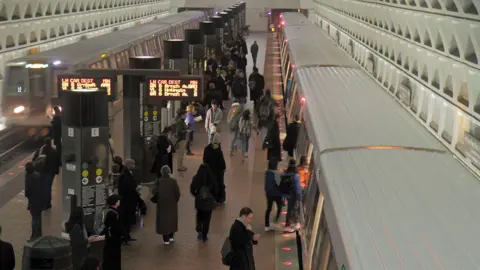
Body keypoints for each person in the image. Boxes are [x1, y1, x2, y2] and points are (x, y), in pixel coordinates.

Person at [190, 163, 218, 242]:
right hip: (209, 202)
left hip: (199, 201)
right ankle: (204, 235)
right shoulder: (212, 178)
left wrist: (196, 195)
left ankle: (199, 229)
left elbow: (192, 189)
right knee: (207, 219)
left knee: (199, 216)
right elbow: (216, 189)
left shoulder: (196, 178)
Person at [154, 165, 180, 245]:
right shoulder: (173, 181)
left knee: (163, 221)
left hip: (162, 204)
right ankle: (171, 236)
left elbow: (154, 192)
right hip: (172, 204)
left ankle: (166, 240)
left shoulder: (158, 181)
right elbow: (177, 193)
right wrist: (174, 201)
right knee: (172, 220)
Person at [32, 137, 60, 210]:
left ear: (44, 143)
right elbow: (58, 162)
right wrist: (56, 171)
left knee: (42, 186)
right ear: (51, 143)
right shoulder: (54, 151)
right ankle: (47, 203)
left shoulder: (40, 150)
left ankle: (42, 202)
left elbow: (34, 160)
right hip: (51, 172)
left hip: (42, 171)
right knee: (48, 187)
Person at [117, 159, 139, 244]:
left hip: (128, 201)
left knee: (127, 219)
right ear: (129, 165)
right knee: (126, 219)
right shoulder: (125, 175)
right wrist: (135, 189)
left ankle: (127, 236)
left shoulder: (126, 174)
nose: (134, 166)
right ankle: (125, 236)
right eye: (133, 164)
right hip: (127, 201)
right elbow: (129, 187)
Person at [25, 161, 47, 240]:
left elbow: (27, 192)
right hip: (40, 200)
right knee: (39, 217)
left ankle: (35, 234)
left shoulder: (28, 178)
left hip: (33, 201)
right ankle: (39, 233)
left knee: (34, 218)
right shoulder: (39, 175)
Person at [203, 133, 226, 203]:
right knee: (219, 184)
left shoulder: (206, 148)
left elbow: (204, 160)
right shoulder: (218, 150)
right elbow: (221, 162)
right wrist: (223, 168)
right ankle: (219, 198)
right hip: (218, 172)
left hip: (209, 170)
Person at [101, 194, 123, 270]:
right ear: (116, 202)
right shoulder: (113, 213)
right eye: (118, 200)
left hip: (109, 239)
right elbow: (114, 227)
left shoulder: (107, 211)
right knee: (114, 259)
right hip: (113, 240)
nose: (119, 201)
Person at [280, 159, 302, 233]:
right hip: (294, 196)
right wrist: (300, 197)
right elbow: (297, 188)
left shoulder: (286, 173)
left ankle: (288, 225)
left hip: (288, 195)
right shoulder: (296, 175)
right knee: (294, 209)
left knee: (290, 209)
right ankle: (293, 225)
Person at [264, 158, 283, 231]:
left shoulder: (267, 172)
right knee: (279, 207)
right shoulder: (277, 173)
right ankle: (275, 221)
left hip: (269, 194)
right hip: (277, 194)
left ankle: (266, 225)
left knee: (268, 209)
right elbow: (279, 183)